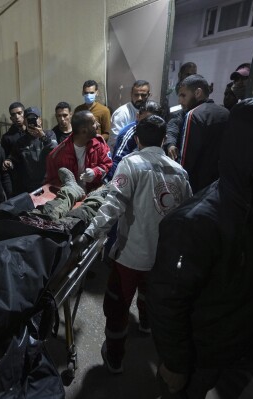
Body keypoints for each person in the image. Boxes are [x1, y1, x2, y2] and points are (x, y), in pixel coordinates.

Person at [147, 97, 253, 398]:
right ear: (251, 151)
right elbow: (167, 302)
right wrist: (175, 364)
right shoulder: (195, 223)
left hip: (245, 349)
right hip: (201, 358)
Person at [75, 115, 192, 375]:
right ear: (163, 139)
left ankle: (115, 357)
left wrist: (90, 233)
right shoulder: (180, 172)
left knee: (118, 305)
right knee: (150, 293)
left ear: (137, 138)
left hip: (131, 254)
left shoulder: (131, 164)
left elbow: (113, 204)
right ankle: (147, 325)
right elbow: (187, 214)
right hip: (162, 257)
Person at [173, 74, 229, 193]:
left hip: (195, 184)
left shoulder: (194, 115)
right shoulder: (225, 113)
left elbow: (185, 158)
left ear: (198, 93)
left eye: (183, 95)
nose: (180, 100)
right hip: (217, 184)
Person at [45, 110, 112, 193]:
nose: (98, 125)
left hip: (94, 195)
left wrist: (95, 172)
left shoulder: (99, 144)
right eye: (94, 123)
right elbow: (52, 185)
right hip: (71, 200)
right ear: (84, 131)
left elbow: (108, 165)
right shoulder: (57, 156)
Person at [105, 100, 164, 182]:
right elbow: (118, 161)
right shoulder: (128, 134)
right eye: (145, 121)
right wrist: (108, 182)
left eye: (152, 122)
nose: (148, 126)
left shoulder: (160, 132)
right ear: (138, 116)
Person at [6, 106, 57, 194]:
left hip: (48, 183)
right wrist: (9, 161)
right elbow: (14, 158)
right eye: (28, 119)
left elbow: (55, 149)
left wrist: (42, 136)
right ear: (25, 121)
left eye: (34, 118)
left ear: (40, 120)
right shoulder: (21, 141)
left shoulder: (49, 134)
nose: (31, 121)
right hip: (30, 185)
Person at [109, 80, 151, 149]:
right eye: (136, 95)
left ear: (148, 95)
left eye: (143, 95)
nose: (139, 98)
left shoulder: (151, 112)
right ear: (131, 94)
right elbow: (115, 141)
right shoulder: (122, 113)